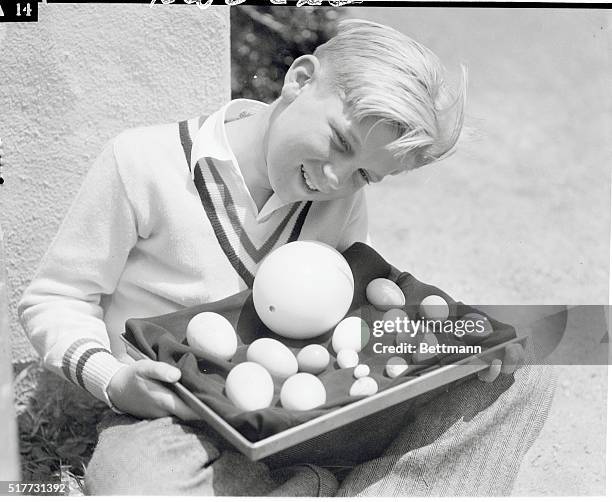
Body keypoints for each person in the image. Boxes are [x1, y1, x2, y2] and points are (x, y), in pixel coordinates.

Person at [18, 19, 552, 496]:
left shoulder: (341, 202)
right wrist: (114, 382)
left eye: (365, 173)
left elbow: (344, 315)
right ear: (300, 80)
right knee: (135, 485)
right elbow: (56, 299)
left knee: (521, 372)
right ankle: (319, 487)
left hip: (304, 413)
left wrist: (461, 340)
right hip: (179, 421)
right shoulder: (143, 162)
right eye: (341, 142)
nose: (337, 179)